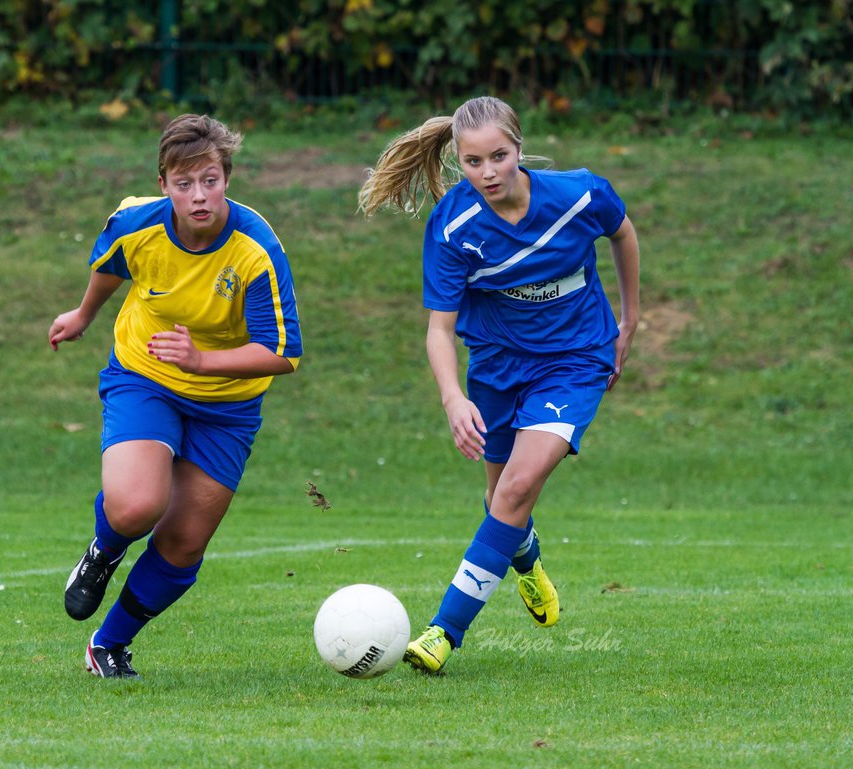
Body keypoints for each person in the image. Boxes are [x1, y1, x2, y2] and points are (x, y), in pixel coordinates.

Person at [358, 95, 640, 674]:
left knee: (515, 490)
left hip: (575, 361)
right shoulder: (453, 225)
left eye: (499, 157)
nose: (487, 173)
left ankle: (442, 631)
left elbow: (624, 234)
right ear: (457, 160)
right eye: (471, 161)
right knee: (500, 500)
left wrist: (630, 320)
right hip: (496, 366)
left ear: (520, 148)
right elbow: (439, 329)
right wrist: (452, 396)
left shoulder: (580, 194)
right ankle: (528, 563)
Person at [48, 114, 303, 679]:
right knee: (137, 505)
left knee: (184, 543)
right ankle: (104, 551)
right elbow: (110, 265)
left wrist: (203, 360)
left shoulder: (255, 250)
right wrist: (84, 315)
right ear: (163, 184)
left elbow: (284, 352)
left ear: (227, 179)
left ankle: (108, 646)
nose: (199, 196)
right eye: (184, 183)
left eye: (209, 180)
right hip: (148, 376)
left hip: (228, 405)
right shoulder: (136, 224)